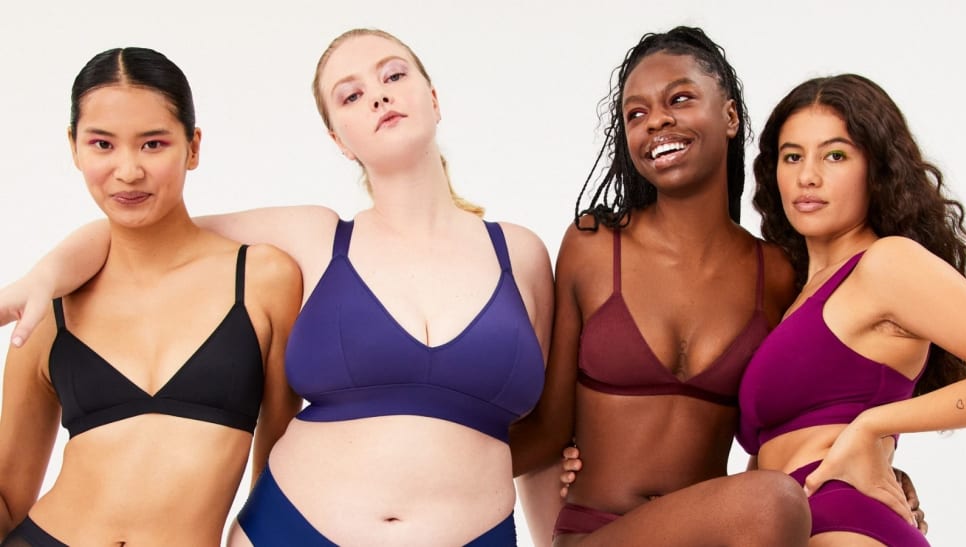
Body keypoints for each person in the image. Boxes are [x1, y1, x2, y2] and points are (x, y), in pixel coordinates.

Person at [0, 29, 553, 545]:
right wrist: (41, 277)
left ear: (434, 98)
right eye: (351, 95)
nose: (378, 97)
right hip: (291, 528)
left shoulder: (521, 253)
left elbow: (547, 431)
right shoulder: (313, 236)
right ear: (338, 138)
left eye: (393, 76)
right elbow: (147, 226)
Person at [509, 27, 812, 546]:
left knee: (777, 500)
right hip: (594, 533)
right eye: (636, 114)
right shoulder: (595, 246)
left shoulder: (779, 273)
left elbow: (802, 422)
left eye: (680, 99)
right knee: (772, 500)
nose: (658, 122)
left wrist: (878, 473)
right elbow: (549, 428)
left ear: (731, 116)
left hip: (713, 537)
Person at [0, 47, 302, 546]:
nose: (128, 170)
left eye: (153, 144)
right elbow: (9, 495)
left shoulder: (263, 279)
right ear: (74, 147)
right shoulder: (49, 305)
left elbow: (277, 473)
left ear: (193, 146)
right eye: (102, 144)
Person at [738, 73, 966, 546]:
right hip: (782, 525)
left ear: (876, 169)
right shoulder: (797, 294)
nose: (808, 176)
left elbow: (847, 425)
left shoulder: (887, 264)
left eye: (835, 155)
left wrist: (873, 427)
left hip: (850, 526)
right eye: (792, 156)